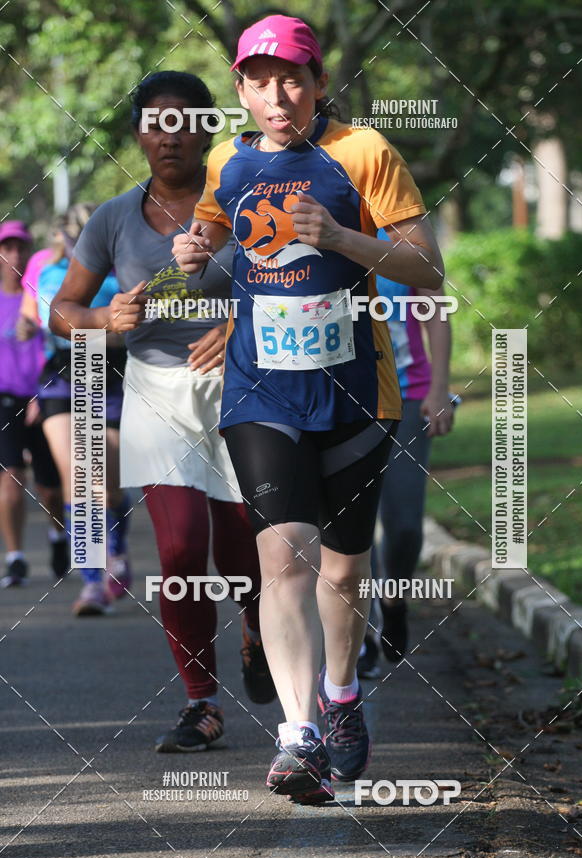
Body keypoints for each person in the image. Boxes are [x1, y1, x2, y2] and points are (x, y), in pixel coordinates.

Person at [173, 15, 444, 801]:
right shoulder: (225, 162)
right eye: (259, 79)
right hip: (262, 389)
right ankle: (299, 738)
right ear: (241, 88)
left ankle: (342, 694)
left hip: (360, 387)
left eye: (292, 77)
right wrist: (193, 262)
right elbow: (208, 270)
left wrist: (340, 236)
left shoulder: (363, 153)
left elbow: (425, 268)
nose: (276, 94)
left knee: (344, 572)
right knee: (283, 555)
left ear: (320, 83)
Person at [50, 71, 275, 752]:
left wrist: (239, 323)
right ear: (140, 135)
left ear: (207, 128)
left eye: (183, 120)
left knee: (246, 549)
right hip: (155, 393)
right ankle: (202, 705)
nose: (168, 134)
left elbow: (298, 281)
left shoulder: (246, 200)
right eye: (154, 122)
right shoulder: (114, 218)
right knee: (179, 550)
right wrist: (100, 317)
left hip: (242, 391)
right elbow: (62, 310)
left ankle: (262, 631)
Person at [18, 205, 132, 614]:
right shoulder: (44, 271)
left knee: (108, 482)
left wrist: (108, 328)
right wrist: (27, 328)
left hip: (110, 374)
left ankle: (116, 550)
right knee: (78, 475)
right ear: (62, 236)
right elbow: (30, 319)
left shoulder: (121, 272)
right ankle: (92, 583)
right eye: (75, 234)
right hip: (60, 378)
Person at [358, 249, 455, 679]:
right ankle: (358, 635)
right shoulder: (317, 218)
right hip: (341, 400)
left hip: (407, 396)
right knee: (348, 528)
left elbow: (434, 311)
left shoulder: (406, 231)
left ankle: (393, 601)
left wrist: (439, 389)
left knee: (403, 525)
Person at [0, 221, 66, 587]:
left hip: (45, 395)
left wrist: (45, 393)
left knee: (51, 488)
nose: (14, 255)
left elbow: (58, 345)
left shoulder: (44, 293)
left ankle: (58, 537)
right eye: (6, 248)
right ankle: (16, 558)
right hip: (5, 399)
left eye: (20, 248)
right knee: (10, 477)